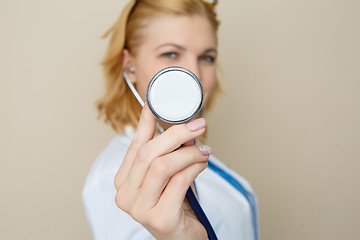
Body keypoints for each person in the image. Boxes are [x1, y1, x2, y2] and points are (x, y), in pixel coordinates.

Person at [82, 0, 259, 239]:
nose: (194, 74)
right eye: (171, 53)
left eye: (207, 57)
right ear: (129, 66)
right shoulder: (113, 181)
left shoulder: (183, 149)